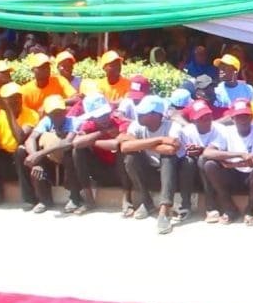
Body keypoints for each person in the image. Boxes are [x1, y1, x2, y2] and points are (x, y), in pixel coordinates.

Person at [120, 95, 182, 232]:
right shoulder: (136, 124)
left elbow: (170, 149)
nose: (139, 114)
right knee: (130, 157)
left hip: (171, 175)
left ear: (156, 115)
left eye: (144, 112)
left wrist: (138, 144)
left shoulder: (173, 127)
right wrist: (159, 139)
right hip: (148, 171)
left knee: (167, 158)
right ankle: (146, 202)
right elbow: (124, 146)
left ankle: (164, 210)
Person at [201, 98, 253, 226]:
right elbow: (207, 152)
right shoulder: (227, 132)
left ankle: (249, 210)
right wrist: (240, 155)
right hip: (233, 174)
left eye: (246, 116)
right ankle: (229, 208)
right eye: (239, 116)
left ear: (251, 116)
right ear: (232, 119)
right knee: (209, 164)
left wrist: (231, 163)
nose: (243, 120)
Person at [0, 82, 39, 209]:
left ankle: (29, 199)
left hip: (22, 160)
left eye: (17, 97)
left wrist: (8, 111)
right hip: (5, 160)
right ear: (4, 100)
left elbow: (20, 138)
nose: (16, 101)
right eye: (11, 99)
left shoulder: (31, 114)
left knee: (21, 150)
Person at [71, 93, 132, 215]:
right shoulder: (89, 125)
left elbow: (115, 144)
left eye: (105, 114)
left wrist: (90, 141)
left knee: (123, 150)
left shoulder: (121, 123)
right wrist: (101, 132)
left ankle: (127, 198)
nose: (103, 118)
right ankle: (89, 200)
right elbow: (76, 143)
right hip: (100, 171)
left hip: (121, 172)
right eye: (99, 116)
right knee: (77, 151)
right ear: (92, 117)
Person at [23, 95, 84, 215]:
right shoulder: (46, 121)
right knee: (24, 152)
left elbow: (67, 143)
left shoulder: (73, 122)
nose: (57, 115)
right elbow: (31, 139)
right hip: (51, 160)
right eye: (53, 113)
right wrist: (35, 159)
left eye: (60, 112)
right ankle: (44, 200)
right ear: (47, 113)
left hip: (67, 161)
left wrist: (40, 154)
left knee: (71, 154)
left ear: (65, 111)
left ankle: (75, 197)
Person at [177, 99, 227, 224]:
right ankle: (185, 205)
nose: (207, 119)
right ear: (193, 120)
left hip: (215, 171)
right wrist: (189, 152)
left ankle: (211, 207)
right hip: (193, 173)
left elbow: (220, 153)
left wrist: (202, 151)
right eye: (202, 117)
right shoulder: (186, 132)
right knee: (187, 161)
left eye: (208, 116)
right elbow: (180, 154)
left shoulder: (220, 129)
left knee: (204, 159)